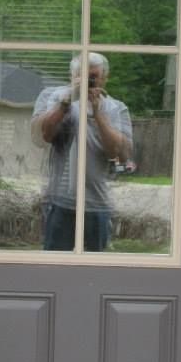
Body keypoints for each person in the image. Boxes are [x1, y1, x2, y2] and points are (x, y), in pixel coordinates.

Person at [31, 53, 132, 251]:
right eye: (82, 75)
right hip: (59, 200)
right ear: (72, 76)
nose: (88, 81)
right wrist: (66, 102)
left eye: (93, 76)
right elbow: (45, 135)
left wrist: (98, 115)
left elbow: (120, 156)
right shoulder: (54, 97)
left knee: (97, 270)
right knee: (55, 267)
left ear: (105, 78)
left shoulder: (116, 108)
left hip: (97, 203)